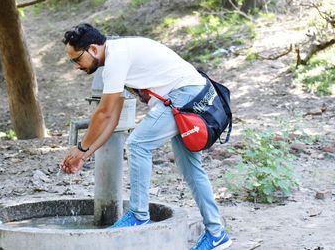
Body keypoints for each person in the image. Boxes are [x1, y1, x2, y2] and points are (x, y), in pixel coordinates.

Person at [60, 23, 232, 250]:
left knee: (138, 144)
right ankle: (217, 234)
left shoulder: (116, 58)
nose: (76, 66)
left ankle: (139, 215)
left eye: (76, 59)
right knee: (190, 168)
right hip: (192, 94)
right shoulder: (117, 57)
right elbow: (112, 120)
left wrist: (80, 148)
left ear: (92, 49)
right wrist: (86, 154)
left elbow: (103, 113)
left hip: (185, 95)